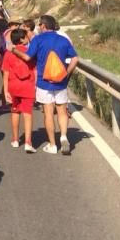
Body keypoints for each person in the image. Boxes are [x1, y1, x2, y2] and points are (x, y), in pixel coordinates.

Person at [11, 15, 79, 155]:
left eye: (39, 25)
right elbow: (75, 58)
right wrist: (66, 73)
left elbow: (28, 57)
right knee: (61, 110)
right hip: (60, 82)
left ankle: (53, 145)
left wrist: (14, 50)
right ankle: (64, 136)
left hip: (44, 82)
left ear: (43, 26)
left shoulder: (38, 39)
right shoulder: (63, 40)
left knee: (48, 113)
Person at [1, 28, 36, 153]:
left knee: (15, 112)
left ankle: (15, 139)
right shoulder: (30, 52)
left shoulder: (8, 53)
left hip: (13, 86)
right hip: (28, 85)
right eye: (26, 37)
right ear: (22, 39)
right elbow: (35, 70)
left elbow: (5, 73)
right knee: (27, 114)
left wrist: (5, 91)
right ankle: (28, 142)